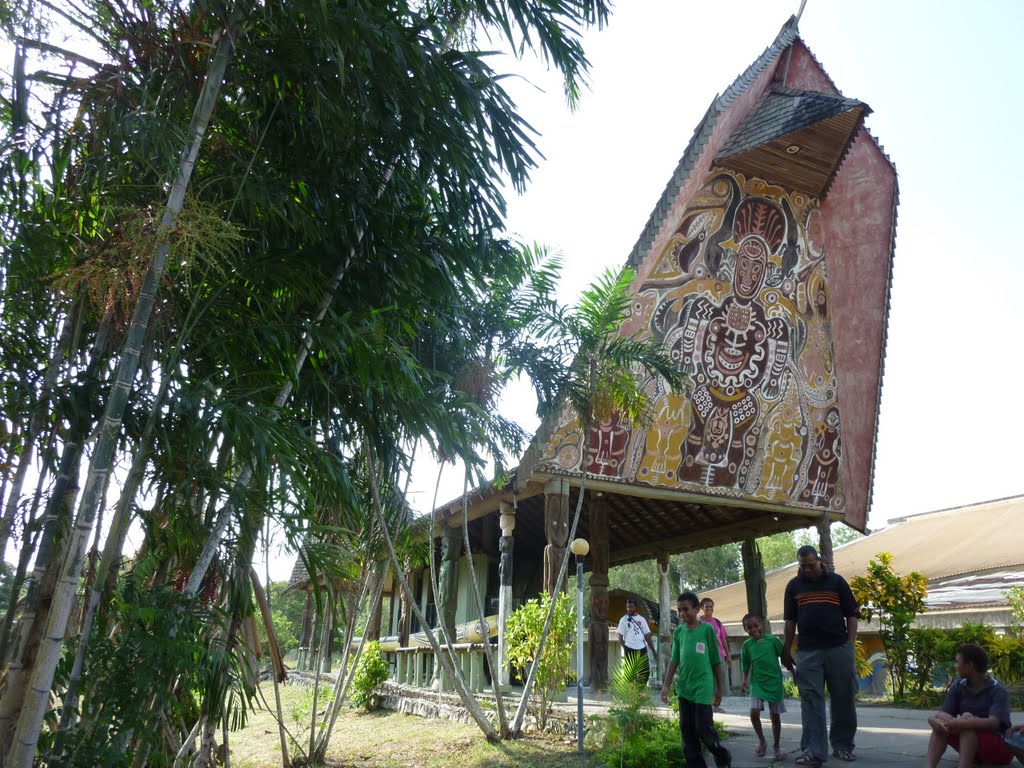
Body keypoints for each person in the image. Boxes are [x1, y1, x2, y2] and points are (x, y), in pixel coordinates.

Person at [781, 545, 859, 767]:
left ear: (819, 560)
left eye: (811, 565)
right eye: (802, 566)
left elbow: (852, 615)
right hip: (807, 652)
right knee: (811, 700)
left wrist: (849, 646)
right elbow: (790, 622)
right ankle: (814, 752)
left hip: (838, 649)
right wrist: (786, 649)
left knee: (843, 698)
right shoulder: (794, 586)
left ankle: (843, 746)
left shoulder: (837, 582)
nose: (807, 570)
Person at [661, 592, 732, 768]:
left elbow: (716, 661)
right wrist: (666, 685)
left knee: (703, 728)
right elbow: (674, 660)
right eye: (679, 610)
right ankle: (696, 765)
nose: (682, 613)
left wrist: (719, 689)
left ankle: (722, 755)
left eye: (686, 609)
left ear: (696, 609)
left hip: (703, 686)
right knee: (687, 729)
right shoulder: (678, 632)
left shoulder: (707, 630)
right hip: (685, 687)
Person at [924, 643, 1014, 768]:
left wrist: (962, 723)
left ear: (970, 665)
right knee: (942, 723)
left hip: (999, 749)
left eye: (957, 662)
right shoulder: (958, 686)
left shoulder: (998, 690)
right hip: (972, 750)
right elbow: (945, 715)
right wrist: (933, 720)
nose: (955, 666)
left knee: (967, 719)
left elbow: (993, 723)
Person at [741, 613, 786, 761]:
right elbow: (746, 665)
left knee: (775, 717)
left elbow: (785, 656)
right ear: (745, 630)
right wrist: (744, 680)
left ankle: (777, 746)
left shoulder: (773, 641)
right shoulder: (747, 646)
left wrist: (794, 671)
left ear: (762, 625)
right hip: (757, 684)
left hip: (774, 684)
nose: (754, 629)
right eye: (749, 627)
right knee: (754, 712)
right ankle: (762, 740)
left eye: (756, 626)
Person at [700, 597, 732, 708]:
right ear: (702, 608)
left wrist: (728, 655)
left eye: (711, 607)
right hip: (705, 656)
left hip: (719, 654)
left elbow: (723, 639)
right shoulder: (699, 622)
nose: (709, 608)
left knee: (720, 679)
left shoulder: (717, 622)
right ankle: (711, 704)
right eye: (706, 606)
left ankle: (717, 704)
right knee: (709, 679)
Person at [616, 598, 655, 685]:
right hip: (630, 648)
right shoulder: (624, 619)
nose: (629, 609)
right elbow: (619, 635)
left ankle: (639, 690)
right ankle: (631, 692)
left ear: (635, 607)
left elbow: (647, 636)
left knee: (645, 672)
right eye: (628, 607)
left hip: (642, 648)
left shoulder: (642, 619)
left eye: (631, 607)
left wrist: (654, 651)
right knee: (630, 674)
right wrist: (624, 647)